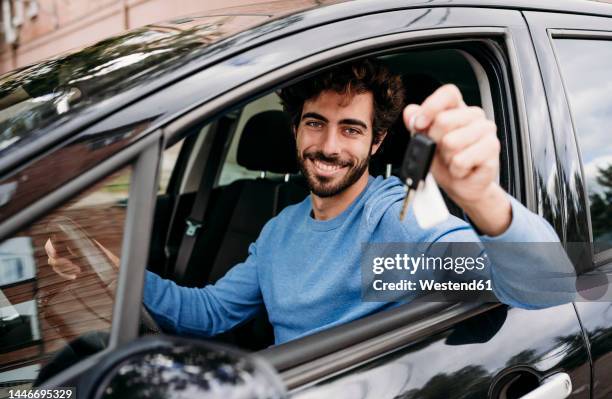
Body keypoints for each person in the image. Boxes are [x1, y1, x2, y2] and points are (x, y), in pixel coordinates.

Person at [47, 59, 575, 345]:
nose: (328, 147)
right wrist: (119, 276)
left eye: (351, 129)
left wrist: (483, 199)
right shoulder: (279, 231)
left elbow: (548, 287)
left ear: (376, 143)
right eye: (315, 123)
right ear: (296, 130)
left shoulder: (399, 221)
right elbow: (207, 313)